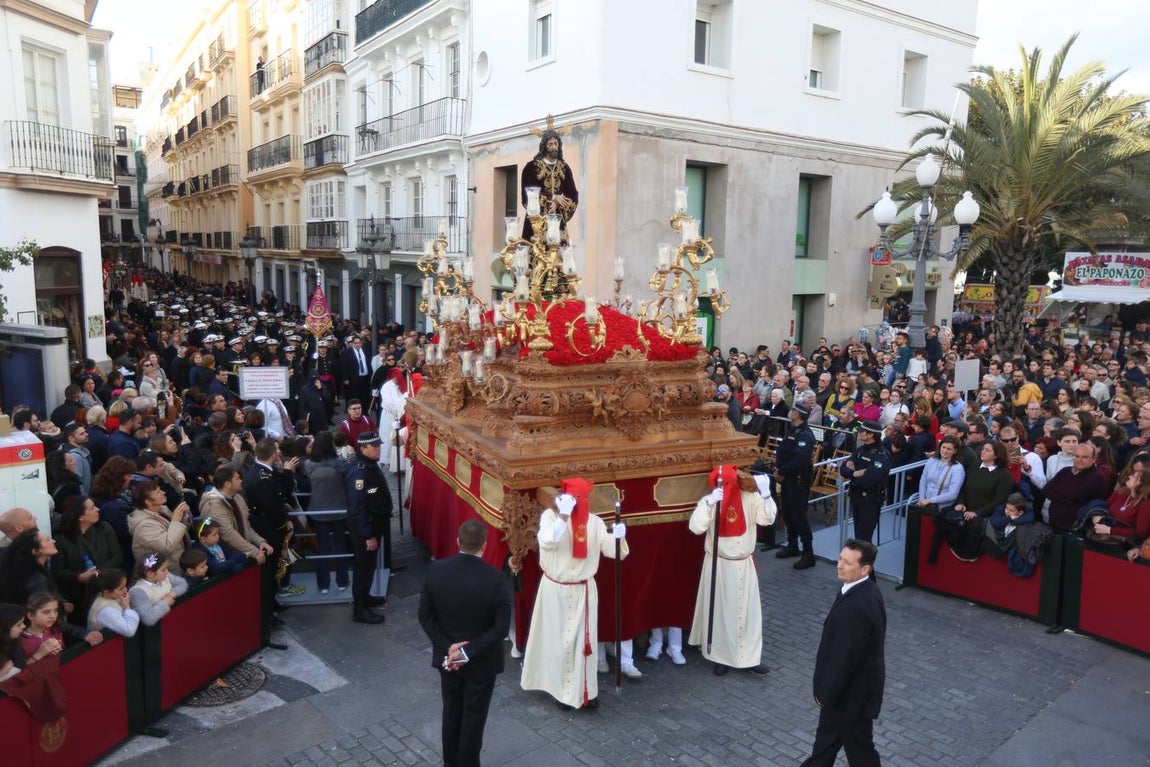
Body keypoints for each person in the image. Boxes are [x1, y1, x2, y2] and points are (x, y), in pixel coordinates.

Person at [521, 477, 628, 711]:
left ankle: (585, 690)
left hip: (583, 590)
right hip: (556, 590)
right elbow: (549, 541)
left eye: (583, 498)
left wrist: (619, 535)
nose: (580, 503)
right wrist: (564, 515)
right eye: (576, 498)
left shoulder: (595, 523)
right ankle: (560, 691)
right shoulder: (550, 517)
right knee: (558, 641)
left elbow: (615, 553)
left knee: (584, 642)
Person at [418, 520, 512, 767]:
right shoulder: (496, 580)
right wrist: (465, 651)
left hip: (448, 660)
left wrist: (450, 649)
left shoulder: (435, 571)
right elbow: (500, 628)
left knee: (451, 712)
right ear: (484, 545)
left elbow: (425, 616)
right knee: (474, 717)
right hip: (480, 662)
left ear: (458, 542)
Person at [801, 539, 886, 767]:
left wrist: (824, 695)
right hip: (847, 696)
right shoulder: (862, 588)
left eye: (847, 563)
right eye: (840, 558)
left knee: (860, 754)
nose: (839, 565)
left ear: (865, 569)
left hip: (849, 699)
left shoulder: (858, 606)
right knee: (825, 750)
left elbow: (845, 658)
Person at [687, 466, 775, 676]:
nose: (726, 489)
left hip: (744, 563)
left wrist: (766, 494)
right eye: (721, 484)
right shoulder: (711, 501)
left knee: (748, 613)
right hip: (719, 563)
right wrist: (709, 503)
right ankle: (720, 656)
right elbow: (696, 527)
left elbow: (767, 519)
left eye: (728, 484)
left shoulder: (749, 498)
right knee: (720, 612)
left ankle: (749, 657)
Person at [50, 496, 122, 625]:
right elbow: (57, 572)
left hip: (106, 587)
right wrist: (79, 577)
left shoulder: (104, 528)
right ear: (80, 516)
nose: (98, 509)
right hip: (78, 595)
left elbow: (117, 556)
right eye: (92, 508)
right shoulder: (61, 540)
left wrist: (97, 574)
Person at [344, 431, 392, 624]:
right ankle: (360, 609)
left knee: (369, 566)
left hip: (374, 524)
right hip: (366, 528)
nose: (379, 448)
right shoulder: (360, 472)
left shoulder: (369, 466)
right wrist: (368, 535)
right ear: (363, 448)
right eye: (375, 446)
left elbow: (373, 493)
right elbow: (358, 506)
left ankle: (366, 597)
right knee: (363, 568)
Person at [304, 431, 351, 594]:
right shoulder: (340, 464)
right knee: (340, 547)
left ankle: (323, 584)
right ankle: (342, 581)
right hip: (339, 510)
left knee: (322, 549)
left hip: (319, 511)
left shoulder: (309, 464)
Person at [774, 402, 818, 569]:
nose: (790, 412)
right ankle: (792, 546)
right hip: (787, 478)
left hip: (797, 480)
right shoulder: (793, 430)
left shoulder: (805, 435)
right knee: (788, 513)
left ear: (798, 415)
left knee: (799, 517)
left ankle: (808, 553)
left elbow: (799, 459)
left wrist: (782, 471)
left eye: (793, 410)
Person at [520, 129, 579, 242]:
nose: (554, 147)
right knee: (535, 256)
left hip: (557, 223)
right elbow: (527, 195)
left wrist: (558, 203)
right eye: (550, 144)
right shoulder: (531, 168)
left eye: (556, 143)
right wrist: (552, 198)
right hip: (536, 224)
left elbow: (573, 194)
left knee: (559, 258)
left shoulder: (564, 168)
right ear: (544, 146)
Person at [840, 421, 892, 544]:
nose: (859, 433)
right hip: (856, 496)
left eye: (862, 431)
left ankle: (865, 562)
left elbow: (868, 481)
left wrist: (852, 474)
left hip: (870, 500)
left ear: (870, 435)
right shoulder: (860, 450)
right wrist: (855, 473)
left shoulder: (881, 455)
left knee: (865, 537)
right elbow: (843, 469)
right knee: (858, 534)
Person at [127, 480, 191, 573]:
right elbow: (166, 547)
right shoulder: (144, 526)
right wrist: (176, 520)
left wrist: (185, 516)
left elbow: (180, 531)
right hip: (168, 573)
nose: (163, 492)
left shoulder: (162, 509)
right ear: (148, 501)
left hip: (183, 562)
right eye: (158, 492)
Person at [128, 552, 189, 626]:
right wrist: (165, 602)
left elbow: (183, 583)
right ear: (150, 573)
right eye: (163, 570)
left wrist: (173, 593)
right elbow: (148, 618)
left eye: (167, 568)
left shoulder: (165, 576)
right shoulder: (138, 591)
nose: (167, 572)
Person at [87, 568, 140, 637]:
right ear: (107, 592)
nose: (125, 590)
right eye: (121, 588)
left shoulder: (113, 597)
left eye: (125, 586)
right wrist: (127, 607)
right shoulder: (105, 609)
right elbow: (129, 630)